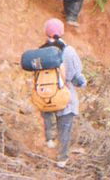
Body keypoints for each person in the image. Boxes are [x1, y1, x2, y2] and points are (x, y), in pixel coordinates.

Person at [40, 18, 86, 169]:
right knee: (65, 127)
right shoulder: (69, 51)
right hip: (65, 96)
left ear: (46, 32)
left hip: (46, 96)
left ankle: (49, 139)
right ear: (62, 32)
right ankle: (61, 159)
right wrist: (82, 83)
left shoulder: (40, 51)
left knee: (48, 115)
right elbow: (76, 76)